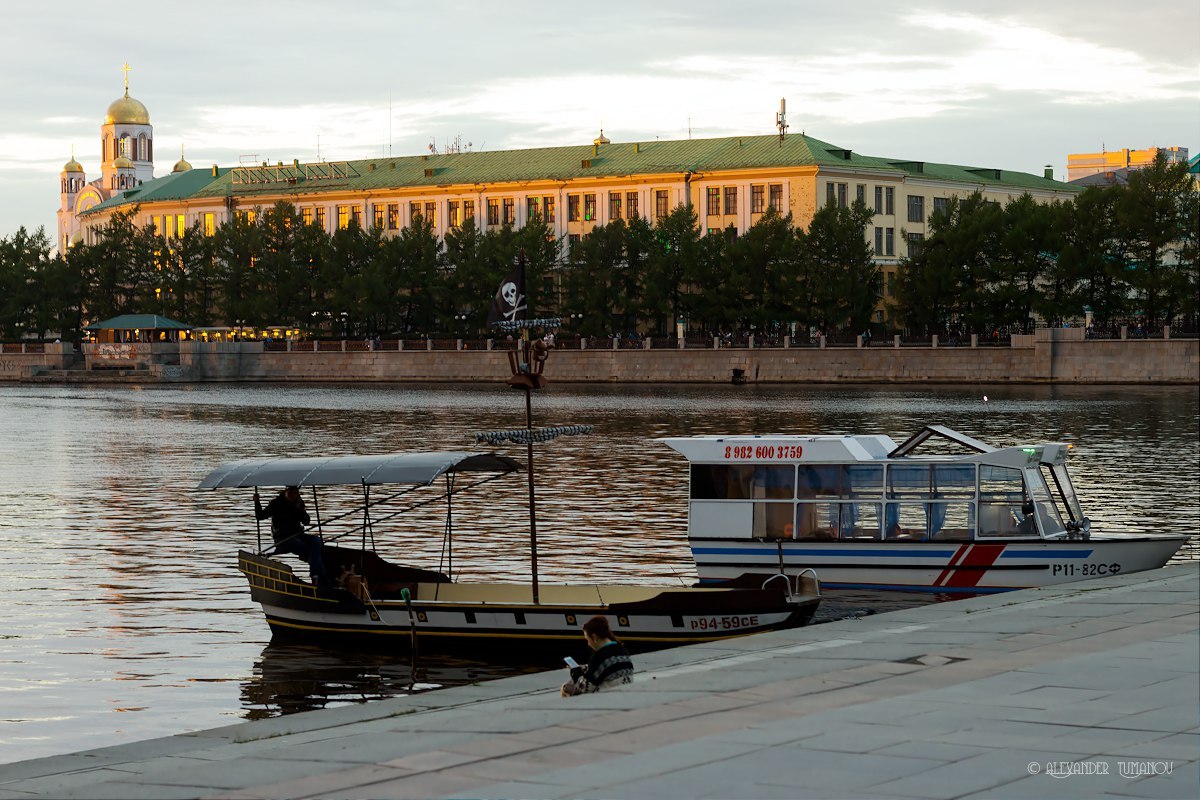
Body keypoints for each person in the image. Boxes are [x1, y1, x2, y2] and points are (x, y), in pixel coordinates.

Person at [255, 486, 332, 588]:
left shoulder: (298, 502)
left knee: (317, 541)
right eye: (290, 493)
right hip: (283, 538)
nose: (293, 495)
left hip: (298, 534)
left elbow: (306, 521)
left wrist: (299, 509)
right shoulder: (276, 503)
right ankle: (323, 580)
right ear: (285, 492)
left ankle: (315, 576)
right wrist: (257, 501)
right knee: (307, 548)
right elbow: (260, 516)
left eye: (295, 493)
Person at [561, 615, 634, 696]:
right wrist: (585, 668)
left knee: (566, 688)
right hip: (627, 692)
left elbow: (585, 688)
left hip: (610, 697)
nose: (588, 644)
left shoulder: (599, 656)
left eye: (587, 639)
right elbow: (606, 668)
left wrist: (576, 672)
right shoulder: (622, 650)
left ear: (594, 637)